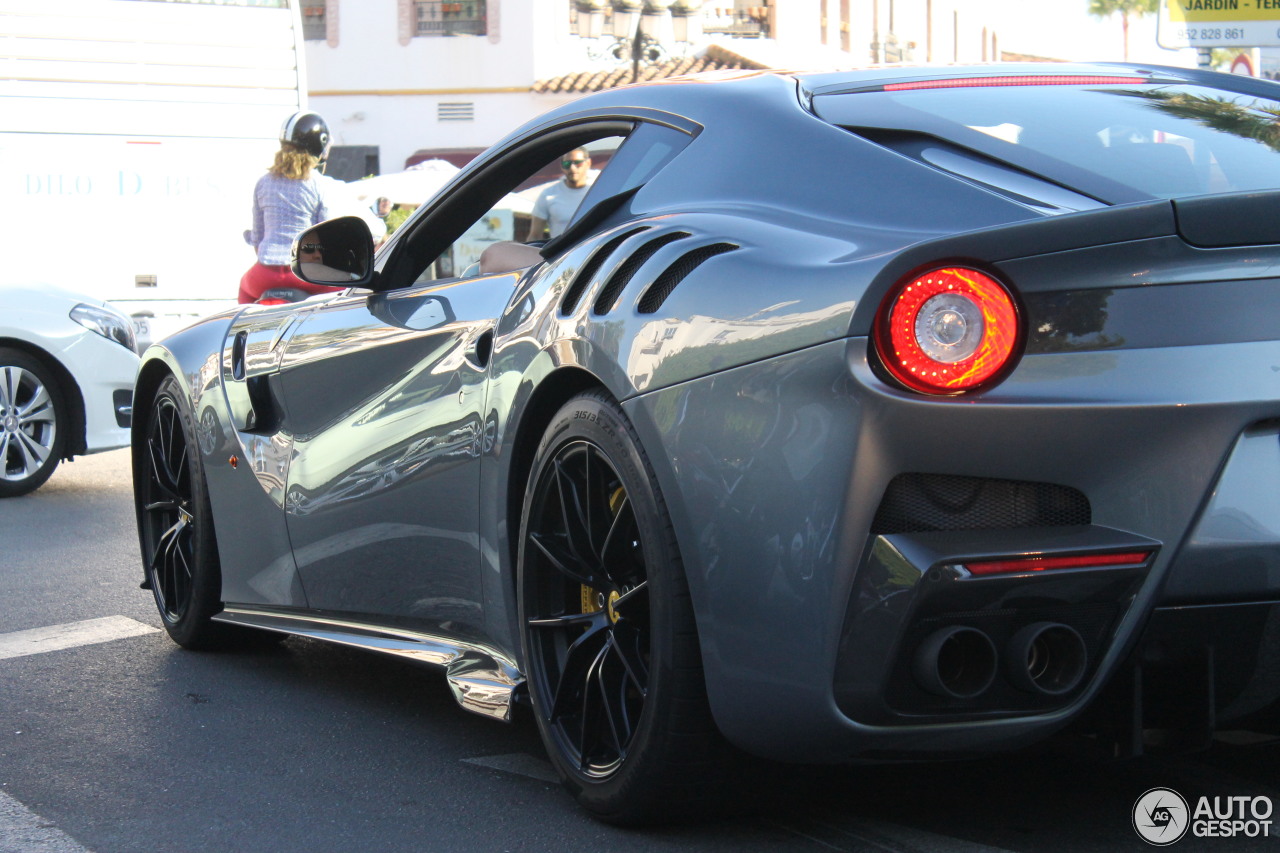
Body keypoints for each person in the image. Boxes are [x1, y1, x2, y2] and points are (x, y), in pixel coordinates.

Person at [239, 111, 385, 304]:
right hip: (306, 274)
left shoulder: (264, 182)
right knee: (351, 297)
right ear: (320, 146)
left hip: (265, 274)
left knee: (244, 291)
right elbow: (326, 235)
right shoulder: (319, 184)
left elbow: (258, 239)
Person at [529, 148, 596, 239]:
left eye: (578, 163)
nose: (572, 168)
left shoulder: (597, 192)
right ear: (562, 166)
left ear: (588, 163)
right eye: (567, 164)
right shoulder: (548, 195)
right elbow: (535, 235)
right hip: (562, 252)